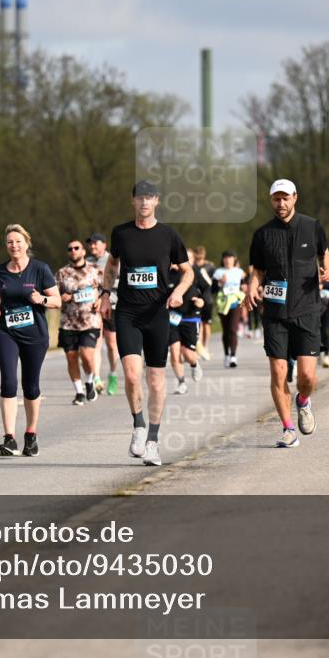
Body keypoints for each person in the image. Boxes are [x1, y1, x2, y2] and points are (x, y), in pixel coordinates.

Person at [100, 181, 193, 466]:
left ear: (156, 202)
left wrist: (178, 292)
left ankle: (153, 440)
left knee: (155, 379)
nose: (144, 203)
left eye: (149, 198)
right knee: (130, 374)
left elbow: (189, 272)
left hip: (157, 314)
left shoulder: (168, 235)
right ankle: (138, 426)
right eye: (140, 198)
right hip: (128, 312)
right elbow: (112, 264)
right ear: (133, 202)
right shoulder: (121, 233)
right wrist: (105, 294)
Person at [245, 178, 329, 449]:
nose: (280, 203)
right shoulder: (262, 234)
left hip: (307, 309)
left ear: (295, 197)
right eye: (275, 199)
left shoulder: (312, 226)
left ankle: (303, 401)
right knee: (278, 371)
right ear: (271, 200)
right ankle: (287, 429)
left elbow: (324, 254)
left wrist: (327, 270)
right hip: (274, 312)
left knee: (307, 378)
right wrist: (251, 288)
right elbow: (257, 270)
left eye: (285, 198)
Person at [0, 224, 61, 457]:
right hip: (6, 332)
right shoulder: (0, 271)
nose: (14, 245)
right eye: (10, 242)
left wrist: (41, 299)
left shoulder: (40, 269)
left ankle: (31, 435)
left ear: (27, 244)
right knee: (9, 382)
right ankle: (9, 439)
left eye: (18, 241)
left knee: (30, 386)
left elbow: (57, 300)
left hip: (35, 334)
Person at [56, 238, 104, 406]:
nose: (73, 251)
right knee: (71, 357)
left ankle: (89, 380)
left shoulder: (96, 270)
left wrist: (100, 300)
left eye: (77, 248)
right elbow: (54, 296)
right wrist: (62, 297)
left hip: (90, 320)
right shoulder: (62, 273)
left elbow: (105, 290)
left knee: (87, 355)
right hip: (68, 322)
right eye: (70, 249)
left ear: (83, 252)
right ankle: (79, 392)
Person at [167, 249, 208, 394]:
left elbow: (206, 289)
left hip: (190, 316)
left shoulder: (194, 272)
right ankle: (181, 382)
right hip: (172, 318)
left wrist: (202, 301)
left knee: (187, 353)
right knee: (174, 351)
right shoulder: (167, 274)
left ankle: (194, 364)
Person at [86, 233, 120, 395]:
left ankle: (113, 375)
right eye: (90, 244)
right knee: (96, 344)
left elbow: (119, 280)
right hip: (93, 309)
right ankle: (97, 378)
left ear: (104, 245)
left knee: (112, 344)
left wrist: (103, 294)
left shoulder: (113, 260)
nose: (92, 246)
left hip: (111, 305)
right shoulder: (87, 262)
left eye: (95, 243)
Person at [213, 251, 246, 368]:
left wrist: (244, 287)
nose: (228, 260)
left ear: (234, 259)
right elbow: (212, 289)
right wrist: (220, 283)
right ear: (223, 260)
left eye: (230, 258)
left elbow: (244, 285)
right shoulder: (218, 272)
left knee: (233, 329)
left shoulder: (240, 272)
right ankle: (226, 354)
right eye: (225, 258)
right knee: (226, 330)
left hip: (235, 302)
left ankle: (233, 356)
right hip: (223, 303)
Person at [193, 246, 215, 361]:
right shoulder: (192, 266)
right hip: (196, 299)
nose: (198, 257)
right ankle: (199, 348)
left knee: (206, 324)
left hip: (207, 299)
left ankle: (205, 347)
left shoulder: (210, 267)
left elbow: (214, 284)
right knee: (198, 324)